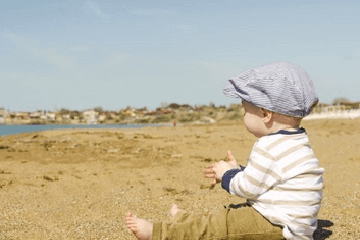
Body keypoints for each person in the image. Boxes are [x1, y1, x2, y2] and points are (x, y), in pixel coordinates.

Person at [125, 62, 324, 240]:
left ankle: (159, 233)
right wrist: (239, 170)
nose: (244, 115)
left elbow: (248, 188)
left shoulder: (268, 146)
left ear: (265, 114)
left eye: (246, 110)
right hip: (294, 225)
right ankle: (186, 219)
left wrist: (226, 175)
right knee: (229, 216)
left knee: (222, 225)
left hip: (278, 226)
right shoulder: (297, 140)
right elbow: (269, 178)